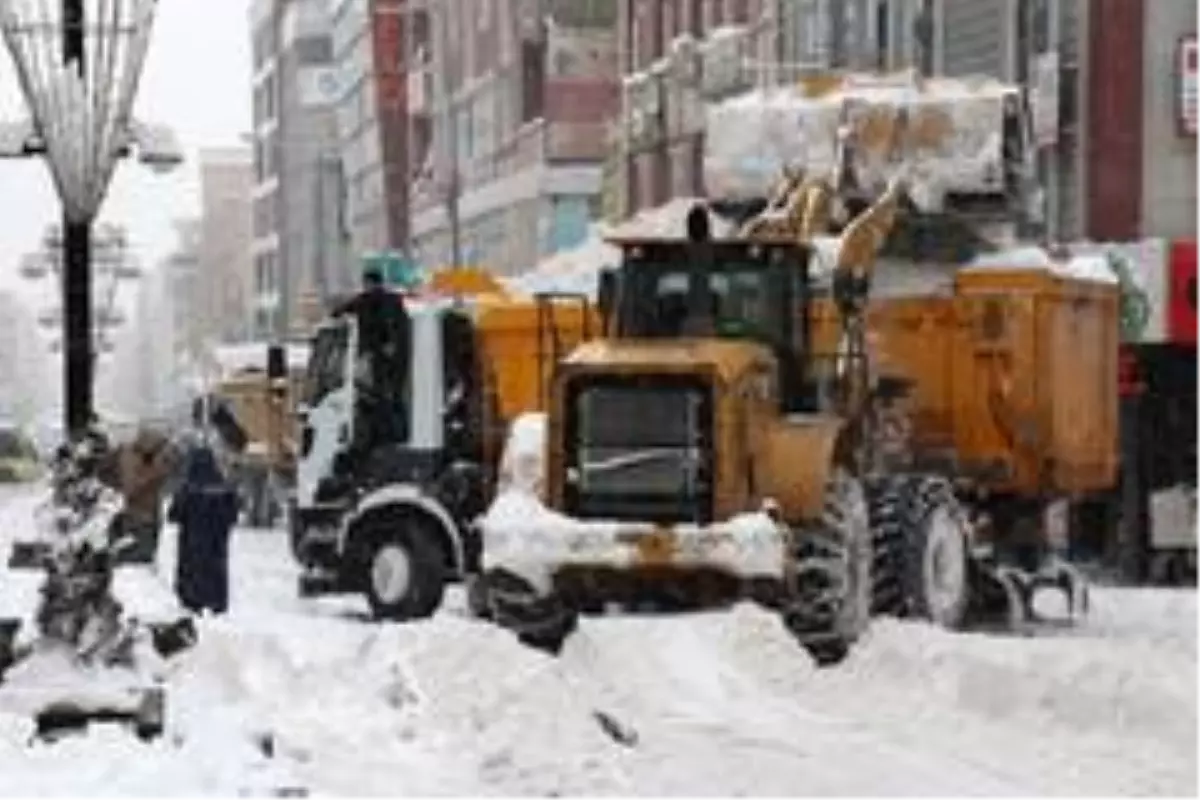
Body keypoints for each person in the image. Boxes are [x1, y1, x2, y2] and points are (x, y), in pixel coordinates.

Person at [168, 445, 240, 615]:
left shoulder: (188, 487)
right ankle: (216, 602)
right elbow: (233, 515)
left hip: (191, 543)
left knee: (192, 571)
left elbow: (174, 515)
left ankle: (192, 602)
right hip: (217, 543)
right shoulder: (224, 488)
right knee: (217, 570)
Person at [109, 426, 177, 565]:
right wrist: (158, 474)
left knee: (146, 546)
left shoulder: (131, 456)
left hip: (142, 512)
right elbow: (134, 486)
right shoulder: (136, 460)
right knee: (145, 548)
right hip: (142, 514)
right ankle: (118, 558)